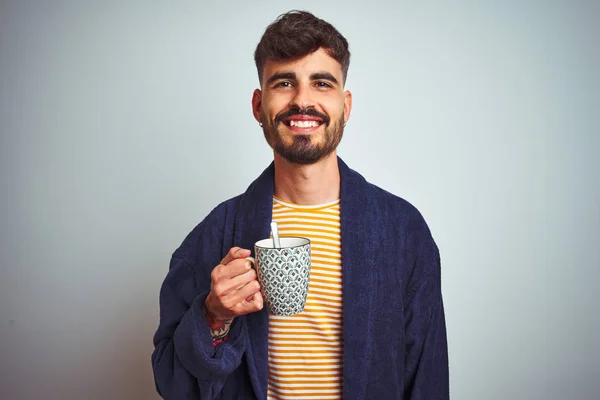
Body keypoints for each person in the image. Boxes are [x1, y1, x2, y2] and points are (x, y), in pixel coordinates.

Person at [151, 10, 449, 400]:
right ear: (259, 106)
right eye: (284, 82)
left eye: (321, 83)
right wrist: (214, 315)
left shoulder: (402, 231)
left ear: (346, 105)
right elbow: (171, 382)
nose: (302, 100)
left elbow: (427, 381)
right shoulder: (215, 234)